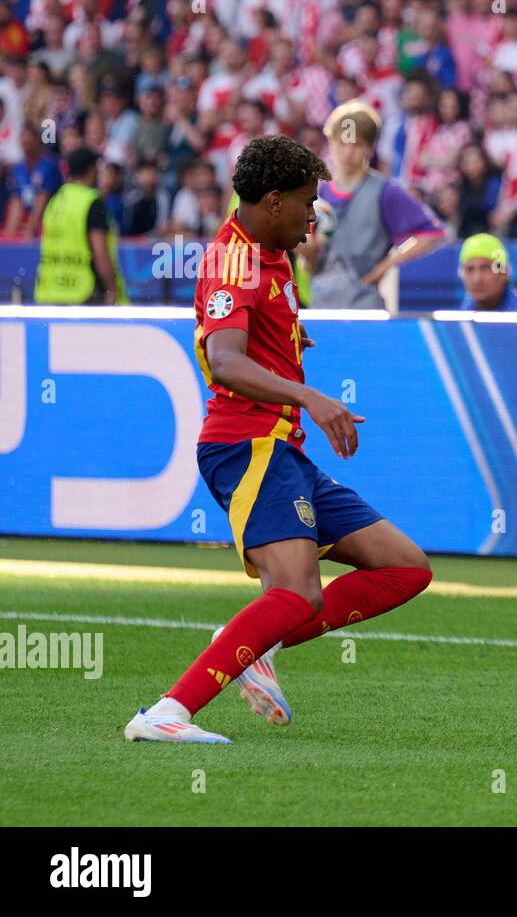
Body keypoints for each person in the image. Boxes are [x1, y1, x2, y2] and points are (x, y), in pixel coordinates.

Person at [124, 135, 432, 744]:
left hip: (281, 448)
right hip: (246, 444)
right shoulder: (232, 259)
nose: (313, 216)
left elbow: (254, 336)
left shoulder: (273, 253)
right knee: (296, 593)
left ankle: (248, 638)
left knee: (404, 568)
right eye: (305, 202)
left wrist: (291, 343)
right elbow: (226, 359)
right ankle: (166, 714)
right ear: (271, 201)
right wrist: (312, 396)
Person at [303, 100, 446, 310]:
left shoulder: (385, 191)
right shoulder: (317, 195)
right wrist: (306, 252)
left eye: (357, 144)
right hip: (322, 303)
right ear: (331, 144)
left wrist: (387, 264)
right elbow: (311, 266)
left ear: (370, 149)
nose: (348, 151)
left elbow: (433, 233)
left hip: (364, 304)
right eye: (342, 142)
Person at [34, 146, 123, 304]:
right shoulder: (91, 202)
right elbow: (100, 251)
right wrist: (111, 288)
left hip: (49, 291)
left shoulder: (55, 201)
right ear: (91, 169)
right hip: (82, 293)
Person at [458, 232, 517, 311]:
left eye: (486, 268)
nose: (477, 279)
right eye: (470, 269)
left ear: (504, 273)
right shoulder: (458, 318)